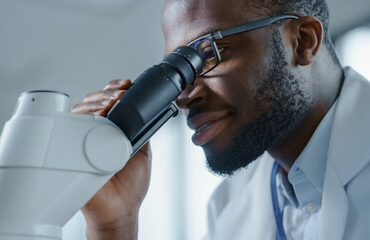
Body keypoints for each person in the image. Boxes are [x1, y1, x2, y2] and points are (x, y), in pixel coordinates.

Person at [72, 0, 370, 239]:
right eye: (179, 69)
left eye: (209, 54)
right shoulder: (228, 207)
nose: (183, 96)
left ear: (303, 41)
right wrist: (114, 227)